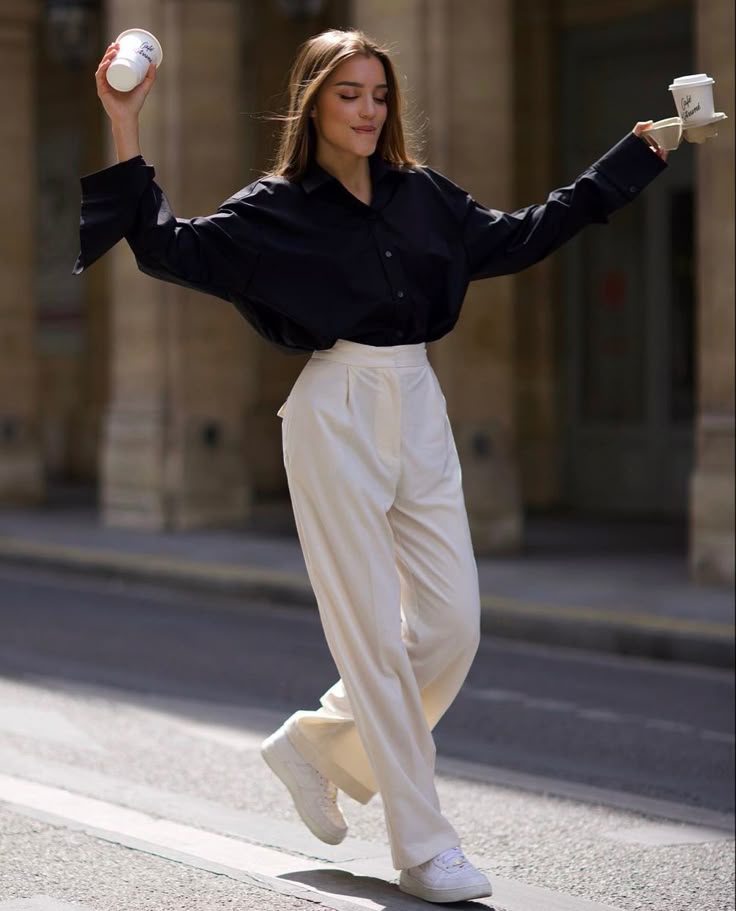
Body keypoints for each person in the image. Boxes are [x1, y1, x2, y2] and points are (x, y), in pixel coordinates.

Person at [76, 27, 668, 905]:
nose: (367, 110)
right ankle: (425, 849)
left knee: (451, 625)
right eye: (349, 94)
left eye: (379, 95)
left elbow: (524, 235)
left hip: (417, 400)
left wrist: (637, 154)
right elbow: (168, 248)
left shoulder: (421, 195)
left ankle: (316, 744)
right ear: (314, 100)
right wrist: (124, 121)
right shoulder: (275, 207)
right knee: (373, 643)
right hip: (333, 410)